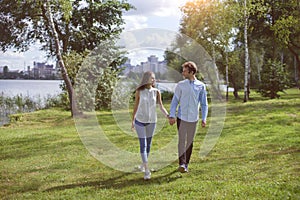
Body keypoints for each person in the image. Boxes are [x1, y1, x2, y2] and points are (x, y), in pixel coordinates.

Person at [169, 61, 208, 173]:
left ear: (191, 72)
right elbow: (175, 101)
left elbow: (204, 104)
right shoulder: (181, 85)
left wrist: (204, 118)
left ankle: (186, 164)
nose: (183, 73)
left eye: (185, 71)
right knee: (182, 140)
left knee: (189, 142)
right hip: (181, 117)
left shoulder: (201, 86)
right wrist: (172, 115)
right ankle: (181, 163)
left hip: (193, 118)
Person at [132, 71, 169, 180]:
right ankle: (147, 170)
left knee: (148, 145)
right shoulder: (139, 91)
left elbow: (161, 107)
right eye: (151, 78)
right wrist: (133, 120)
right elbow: (135, 106)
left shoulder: (156, 92)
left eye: (154, 78)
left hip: (152, 121)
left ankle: (143, 164)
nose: (153, 80)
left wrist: (168, 116)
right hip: (140, 121)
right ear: (146, 79)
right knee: (143, 145)